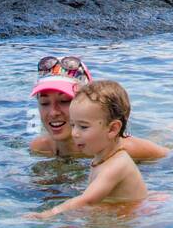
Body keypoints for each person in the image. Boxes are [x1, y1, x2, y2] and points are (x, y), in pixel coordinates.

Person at [34, 81, 147, 218]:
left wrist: (49, 213)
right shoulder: (102, 157)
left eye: (83, 127)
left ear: (112, 129)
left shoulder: (117, 165)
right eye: (73, 125)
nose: (74, 133)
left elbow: (87, 200)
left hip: (129, 220)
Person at [29, 55, 169, 160]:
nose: (53, 112)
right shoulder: (40, 148)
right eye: (44, 103)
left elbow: (171, 158)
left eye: (65, 101)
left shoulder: (120, 150)